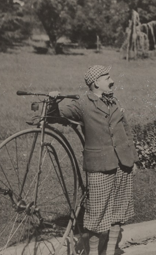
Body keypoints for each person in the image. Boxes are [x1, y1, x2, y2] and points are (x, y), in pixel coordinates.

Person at [48, 65, 136, 255]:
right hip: (99, 166)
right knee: (96, 216)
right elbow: (56, 116)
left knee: (118, 212)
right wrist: (53, 102)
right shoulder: (82, 104)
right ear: (96, 83)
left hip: (123, 164)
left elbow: (126, 130)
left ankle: (110, 251)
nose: (112, 80)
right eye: (107, 78)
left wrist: (132, 159)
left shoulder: (114, 101)